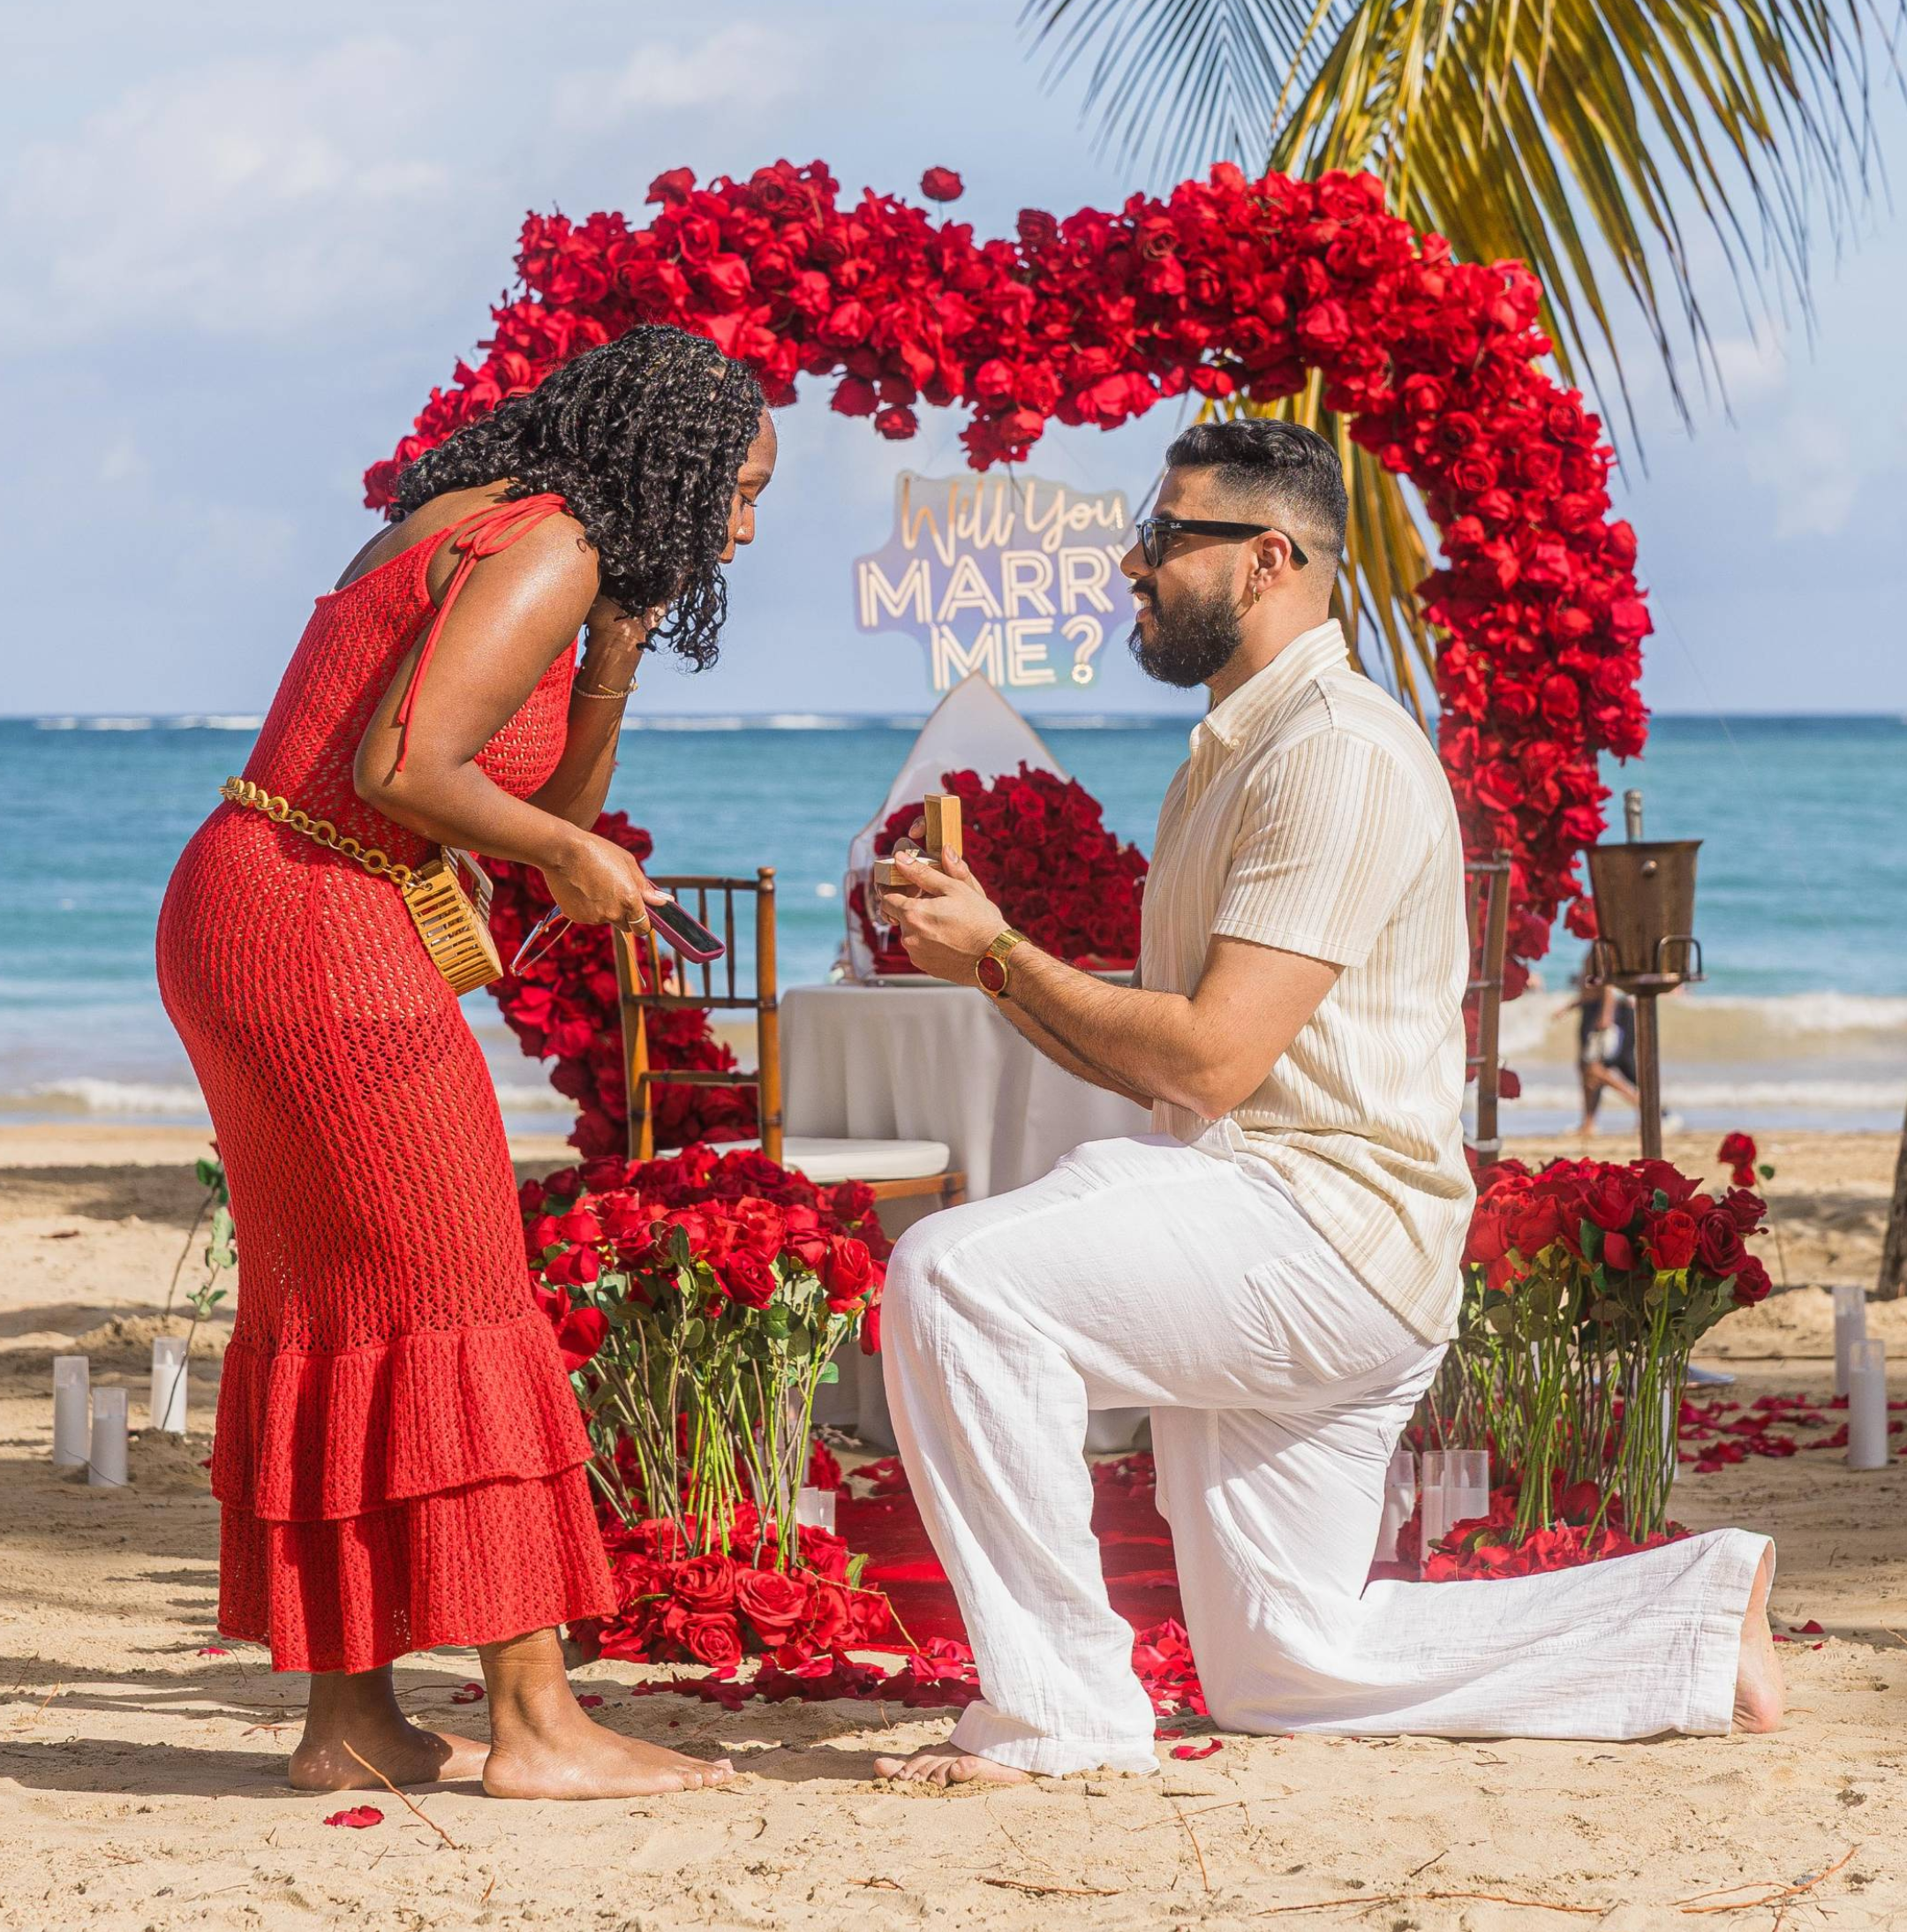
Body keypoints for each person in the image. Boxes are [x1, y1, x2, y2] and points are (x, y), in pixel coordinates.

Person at [873, 418, 1780, 1788]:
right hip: (1280, 1232)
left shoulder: (1330, 751)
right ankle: (1699, 1615)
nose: (1133, 562)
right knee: (1283, 1670)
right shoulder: (1233, 752)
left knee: (953, 1278)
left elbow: (1207, 1063)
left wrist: (998, 953)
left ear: (1268, 559)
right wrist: (991, 964)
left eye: (1167, 535)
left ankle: (1060, 1715)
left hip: (1313, 1234)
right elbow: (1165, 1058)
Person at [157, 326, 774, 1800]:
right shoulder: (548, 543)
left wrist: (615, 658)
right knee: (462, 1299)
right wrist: (575, 854)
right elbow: (401, 770)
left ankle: (351, 1718)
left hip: (247, 902)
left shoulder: (481, 526)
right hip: (321, 921)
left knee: (333, 1310)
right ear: (669, 468)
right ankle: (538, 1726)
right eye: (739, 489)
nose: (746, 524)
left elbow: (510, 784)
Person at [1553, 948, 1640, 1137]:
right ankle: (1588, 1123)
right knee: (1585, 1070)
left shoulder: (1601, 948)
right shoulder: (1597, 948)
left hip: (1598, 1013)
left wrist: (1605, 1017)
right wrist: (1568, 1007)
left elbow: (1608, 985)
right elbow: (1591, 988)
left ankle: (1638, 1100)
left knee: (1593, 1068)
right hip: (1590, 1010)